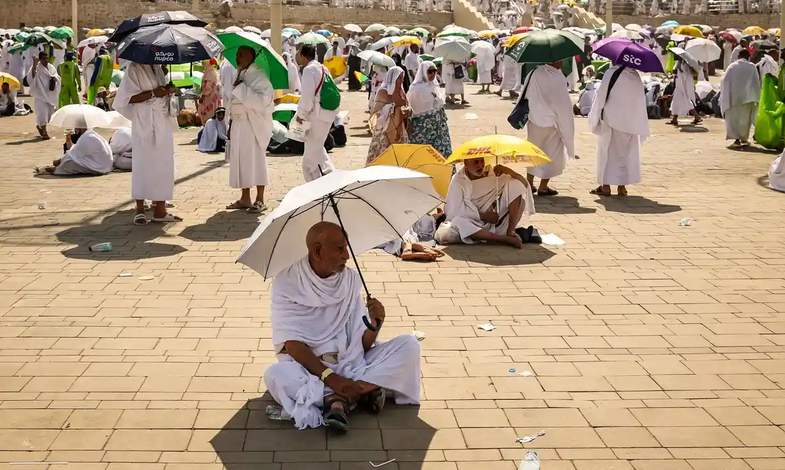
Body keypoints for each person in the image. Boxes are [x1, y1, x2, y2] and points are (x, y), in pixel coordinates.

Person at [263, 221, 422, 431]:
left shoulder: (349, 280)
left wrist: (375, 325)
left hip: (351, 361)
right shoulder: (287, 282)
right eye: (340, 249)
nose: (347, 256)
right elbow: (291, 344)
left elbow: (361, 346)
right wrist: (331, 378)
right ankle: (359, 392)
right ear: (318, 251)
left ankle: (338, 400)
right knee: (276, 375)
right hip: (309, 368)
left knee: (409, 345)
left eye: (347, 248)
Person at [114, 62, 180, 226]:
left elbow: (160, 93)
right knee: (142, 163)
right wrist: (152, 93)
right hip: (143, 122)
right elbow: (126, 99)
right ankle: (139, 209)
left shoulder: (157, 67)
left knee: (163, 163)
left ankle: (160, 208)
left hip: (161, 120)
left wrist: (167, 89)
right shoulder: (134, 68)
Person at [435, 157, 534, 248]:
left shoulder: (492, 174)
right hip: (471, 223)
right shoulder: (458, 181)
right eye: (476, 162)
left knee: (515, 184)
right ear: (466, 163)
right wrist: (483, 216)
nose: (480, 166)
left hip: (495, 223)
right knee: (458, 222)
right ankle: (503, 239)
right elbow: (453, 212)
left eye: (482, 161)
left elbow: (523, 184)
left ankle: (511, 231)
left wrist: (508, 171)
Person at [588, 64, 649, 197]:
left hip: (611, 120)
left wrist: (595, 117)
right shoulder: (635, 76)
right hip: (630, 123)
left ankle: (606, 187)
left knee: (607, 154)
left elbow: (601, 97)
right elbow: (639, 100)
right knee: (625, 154)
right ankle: (622, 187)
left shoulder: (611, 73)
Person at [226, 46, 274, 213]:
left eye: (241, 55)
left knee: (256, 161)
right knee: (241, 162)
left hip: (252, 125)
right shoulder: (240, 73)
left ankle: (260, 199)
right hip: (239, 124)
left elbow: (264, 100)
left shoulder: (258, 74)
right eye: (237, 54)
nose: (237, 57)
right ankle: (245, 197)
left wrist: (242, 89)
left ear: (250, 57)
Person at [521, 62, 575, 196]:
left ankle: (529, 183)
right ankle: (543, 186)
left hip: (534, 119)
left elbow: (525, 94)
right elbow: (563, 103)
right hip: (552, 123)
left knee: (533, 151)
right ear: (555, 61)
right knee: (551, 154)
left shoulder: (534, 73)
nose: (562, 63)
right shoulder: (558, 77)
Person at [295, 44, 339, 182]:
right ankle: (332, 177)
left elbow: (307, 97)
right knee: (318, 151)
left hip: (316, 117)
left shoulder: (309, 70)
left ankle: (314, 188)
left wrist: (300, 115)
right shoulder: (323, 67)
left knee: (309, 160)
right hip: (327, 115)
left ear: (303, 55)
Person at [407, 61, 452, 158]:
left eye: (434, 71)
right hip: (422, 129)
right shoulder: (415, 89)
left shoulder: (435, 86)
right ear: (423, 72)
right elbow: (410, 110)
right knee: (422, 155)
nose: (432, 74)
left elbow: (439, 104)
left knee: (442, 154)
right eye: (429, 72)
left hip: (439, 128)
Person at [366, 66, 411, 164]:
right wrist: (392, 107)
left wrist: (407, 110)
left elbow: (407, 105)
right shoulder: (383, 92)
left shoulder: (401, 91)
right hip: (384, 129)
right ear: (393, 78)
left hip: (399, 127)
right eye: (399, 78)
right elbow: (376, 112)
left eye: (402, 78)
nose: (401, 81)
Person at [720, 49, 761, 148]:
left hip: (733, 98)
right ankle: (744, 138)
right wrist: (757, 97)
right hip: (747, 98)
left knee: (733, 119)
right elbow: (756, 83)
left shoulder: (732, 66)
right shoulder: (752, 67)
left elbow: (724, 81)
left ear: (738, 56)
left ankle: (737, 140)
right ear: (748, 56)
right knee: (745, 120)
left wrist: (725, 96)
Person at [35, 128, 113, 176]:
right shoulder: (92, 135)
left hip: (100, 167)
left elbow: (72, 153)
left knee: (69, 161)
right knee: (70, 158)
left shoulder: (86, 138)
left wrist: (58, 161)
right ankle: (55, 167)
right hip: (104, 165)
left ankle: (53, 169)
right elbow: (75, 150)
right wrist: (68, 139)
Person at [26, 50, 60, 140]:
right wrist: (34, 64)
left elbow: (57, 76)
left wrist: (54, 78)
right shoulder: (36, 67)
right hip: (40, 94)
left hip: (50, 94)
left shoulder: (51, 67)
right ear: (40, 59)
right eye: (44, 59)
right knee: (43, 113)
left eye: (47, 58)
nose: (46, 60)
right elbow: (31, 77)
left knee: (50, 114)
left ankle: (40, 127)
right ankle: (44, 132)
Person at [669, 57, 700, 126]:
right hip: (679, 87)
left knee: (687, 103)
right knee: (675, 103)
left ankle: (697, 116)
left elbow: (686, 77)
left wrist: (679, 70)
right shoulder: (680, 64)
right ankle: (674, 119)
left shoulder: (685, 66)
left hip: (683, 88)